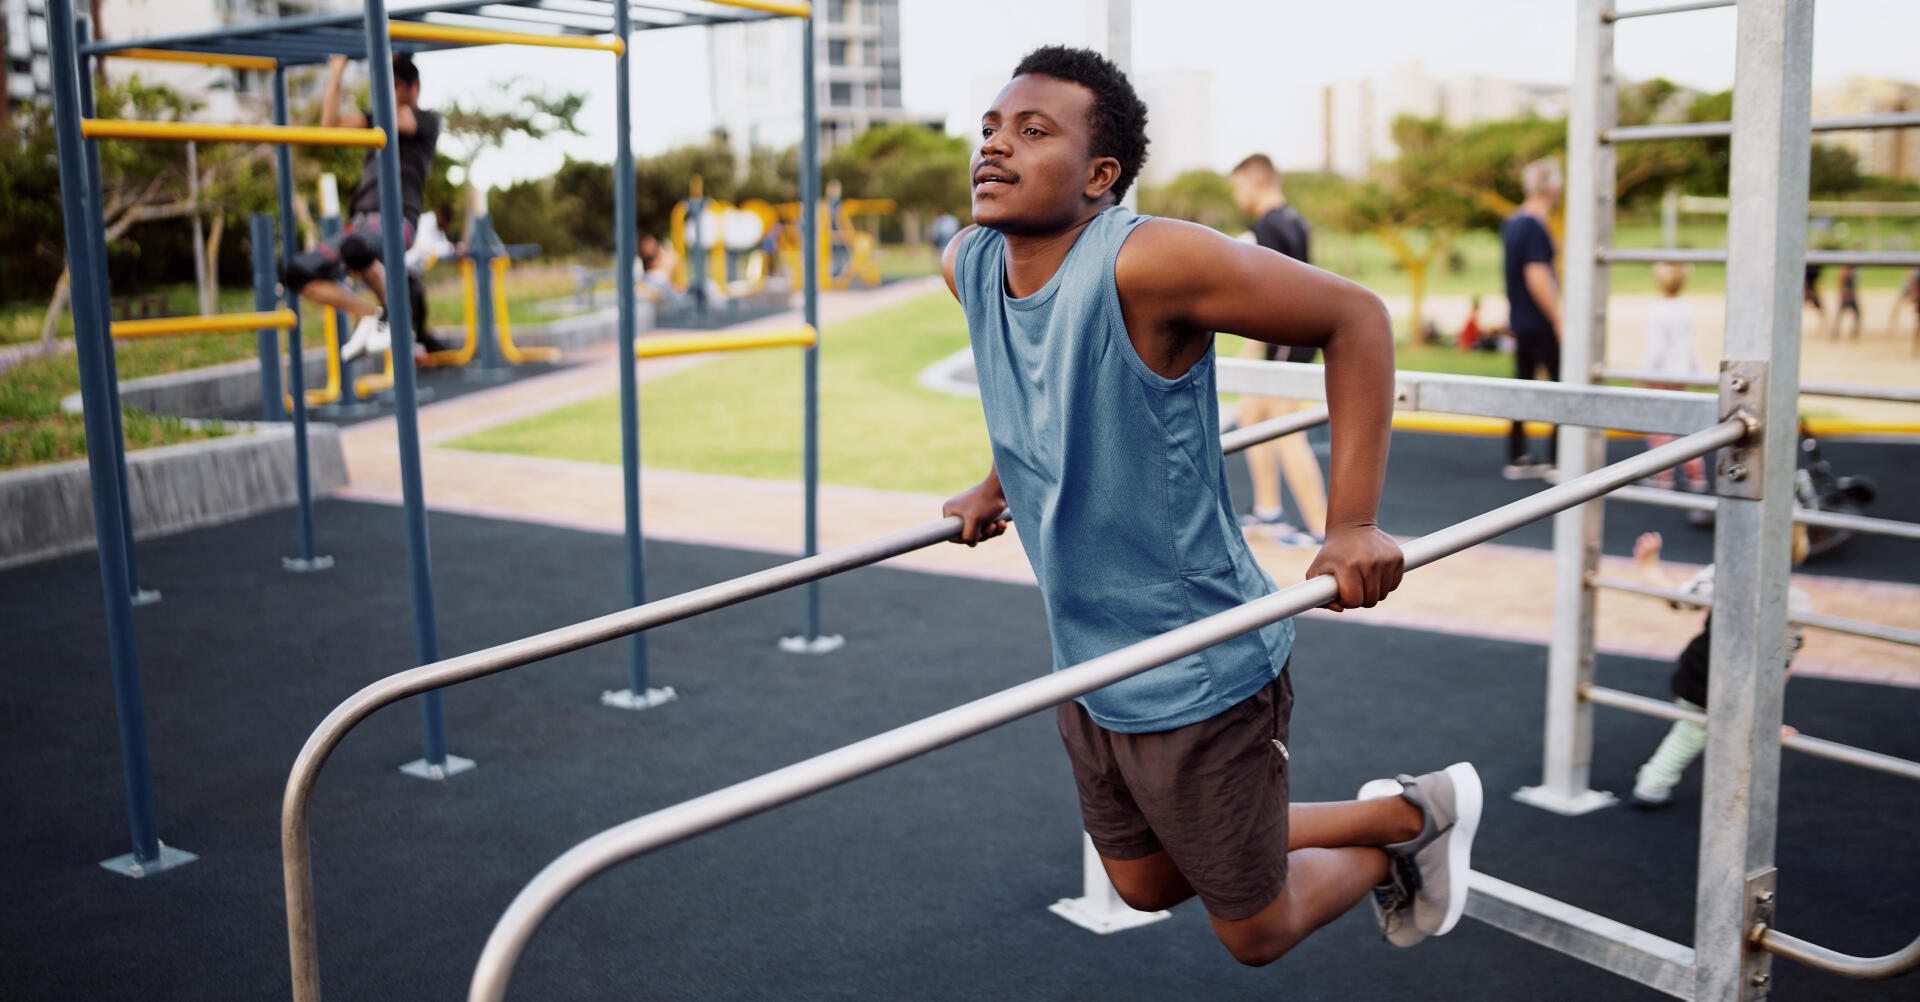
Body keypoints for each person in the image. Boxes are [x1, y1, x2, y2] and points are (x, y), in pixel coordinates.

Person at [938, 46, 1481, 966]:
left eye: (1034, 132)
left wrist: (1349, 523)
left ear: (1101, 176)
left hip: (1198, 657)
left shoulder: (1151, 261)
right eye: (991, 127)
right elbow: (1026, 382)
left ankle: (1412, 819)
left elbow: (1357, 319)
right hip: (1088, 656)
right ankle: (1403, 813)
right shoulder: (969, 263)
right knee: (1144, 884)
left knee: (1255, 931)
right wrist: (1001, 480)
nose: (996, 145)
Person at [1628, 529, 1811, 808]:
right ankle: (1724, 793)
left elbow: (1678, 599)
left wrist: (1649, 566)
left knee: (1694, 729)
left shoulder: (1721, 575)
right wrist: (1768, 708)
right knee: (1731, 731)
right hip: (1743, 677)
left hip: (1703, 667)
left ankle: (1654, 785)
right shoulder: (1794, 599)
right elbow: (1783, 656)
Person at [280, 54, 443, 362]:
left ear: (412, 88)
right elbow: (329, 129)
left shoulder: (426, 120)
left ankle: (399, 316)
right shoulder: (375, 118)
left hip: (397, 221)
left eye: (394, 85)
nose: (388, 90)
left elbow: (400, 120)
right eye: (386, 84)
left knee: (357, 248)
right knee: (295, 273)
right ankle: (373, 314)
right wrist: (337, 72)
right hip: (360, 221)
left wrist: (389, 65)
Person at [1226, 153, 1327, 547]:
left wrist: (1251, 350)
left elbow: (1265, 295)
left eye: (1237, 186)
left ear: (1254, 182)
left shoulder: (1266, 226)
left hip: (1287, 339)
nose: (1237, 196)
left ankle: (1321, 528)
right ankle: (1269, 510)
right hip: (1297, 335)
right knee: (1251, 414)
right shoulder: (1294, 219)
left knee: (1285, 430)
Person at [1499, 158, 1563, 480]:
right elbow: (1537, 276)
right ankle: (1560, 459)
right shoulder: (1534, 225)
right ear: (1553, 187)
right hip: (1539, 321)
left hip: (1521, 320)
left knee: (1522, 388)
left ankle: (1518, 455)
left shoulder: (1512, 222)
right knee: (1563, 387)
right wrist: (1558, 317)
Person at [1640, 262, 1709, 492]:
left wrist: (1644, 375)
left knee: (1660, 427)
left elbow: (1656, 349)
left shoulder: (1657, 311)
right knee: (1683, 425)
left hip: (1662, 375)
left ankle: (1662, 476)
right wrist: (1697, 372)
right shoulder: (1686, 308)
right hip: (1681, 375)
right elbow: (1690, 343)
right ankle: (1695, 473)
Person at [1833, 261, 1861, 341]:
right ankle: (1836, 332)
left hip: (1850, 294)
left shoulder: (1852, 269)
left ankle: (1852, 332)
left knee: (1854, 313)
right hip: (1848, 294)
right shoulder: (1847, 269)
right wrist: (1845, 293)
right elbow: (1842, 281)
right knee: (1843, 313)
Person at [1802, 262, 1828, 340]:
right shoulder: (1811, 269)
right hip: (1808, 291)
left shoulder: (1814, 270)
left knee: (1821, 310)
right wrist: (1807, 293)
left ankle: (1821, 328)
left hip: (1810, 291)